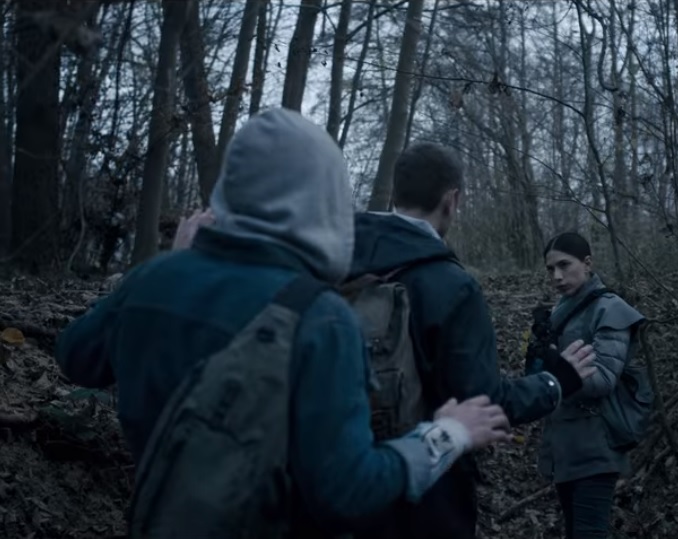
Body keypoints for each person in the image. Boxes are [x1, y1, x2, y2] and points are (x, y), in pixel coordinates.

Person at [54, 109, 514, 538]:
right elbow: (348, 492)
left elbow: (75, 357)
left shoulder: (152, 280)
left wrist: (166, 268)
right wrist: (447, 434)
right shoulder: (321, 318)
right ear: (324, 200)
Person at [346, 142, 598, 539]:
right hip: (427, 498)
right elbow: (485, 402)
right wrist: (556, 382)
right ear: (452, 200)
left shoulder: (334, 265)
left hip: (341, 484)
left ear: (395, 194)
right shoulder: (452, 286)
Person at [529, 232, 646, 539]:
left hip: (596, 446)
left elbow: (605, 379)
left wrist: (557, 365)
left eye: (564, 265)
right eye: (550, 269)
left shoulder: (610, 309)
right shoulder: (560, 310)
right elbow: (538, 380)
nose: (556, 276)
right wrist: (539, 351)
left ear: (588, 263)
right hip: (563, 445)